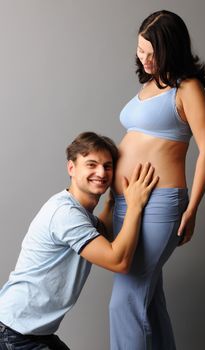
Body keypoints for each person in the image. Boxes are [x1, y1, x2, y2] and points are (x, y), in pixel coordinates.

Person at [109, 10, 205, 350]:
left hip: (160, 204)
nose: (144, 59)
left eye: (151, 53)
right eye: (140, 51)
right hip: (127, 203)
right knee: (150, 303)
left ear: (171, 49)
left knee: (125, 303)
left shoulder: (187, 89)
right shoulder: (148, 85)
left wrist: (193, 210)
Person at [0, 131, 159, 350]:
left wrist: (115, 202)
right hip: (15, 332)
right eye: (91, 165)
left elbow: (100, 233)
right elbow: (118, 261)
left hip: (30, 331)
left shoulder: (80, 213)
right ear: (72, 168)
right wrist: (134, 206)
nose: (101, 172)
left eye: (108, 166)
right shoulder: (66, 213)